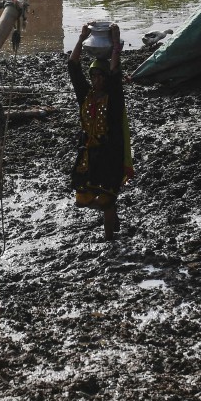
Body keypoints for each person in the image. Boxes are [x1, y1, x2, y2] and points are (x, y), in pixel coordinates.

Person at [67, 22, 134, 241]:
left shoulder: (113, 98)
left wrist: (115, 44)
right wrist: (81, 37)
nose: (97, 80)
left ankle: (109, 237)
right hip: (89, 153)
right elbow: (73, 66)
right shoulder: (86, 95)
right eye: (93, 76)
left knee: (106, 199)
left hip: (110, 154)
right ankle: (113, 216)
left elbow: (116, 73)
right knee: (83, 198)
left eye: (100, 77)